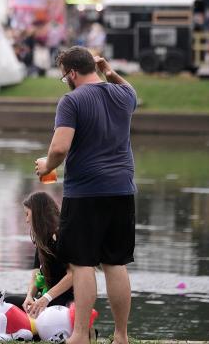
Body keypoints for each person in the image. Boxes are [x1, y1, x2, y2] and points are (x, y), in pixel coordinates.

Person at [34, 47, 137, 344]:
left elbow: (60, 148)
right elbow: (128, 86)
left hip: (86, 192)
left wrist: (46, 166)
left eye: (63, 75)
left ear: (72, 73)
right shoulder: (124, 96)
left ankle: (79, 335)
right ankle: (121, 336)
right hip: (122, 189)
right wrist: (107, 68)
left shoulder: (72, 100)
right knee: (116, 263)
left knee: (81, 264)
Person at [21, 192, 74, 317]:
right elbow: (35, 274)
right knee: (8, 303)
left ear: (37, 213)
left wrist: (46, 298)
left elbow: (73, 275)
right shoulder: (41, 240)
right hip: (45, 299)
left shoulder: (61, 235)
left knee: (47, 316)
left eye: (27, 214)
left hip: (64, 301)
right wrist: (29, 296)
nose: (26, 220)